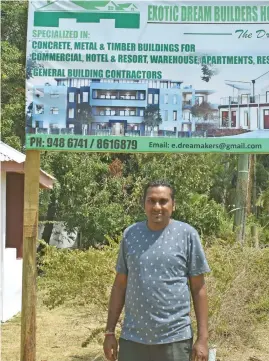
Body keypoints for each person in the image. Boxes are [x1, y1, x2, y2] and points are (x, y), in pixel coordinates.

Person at [103, 180, 210, 361]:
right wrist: (109, 332)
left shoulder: (187, 235)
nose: (157, 206)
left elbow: (199, 289)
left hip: (175, 340)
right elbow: (120, 285)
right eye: (151, 201)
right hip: (133, 339)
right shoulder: (130, 235)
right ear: (144, 204)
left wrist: (203, 339)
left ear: (173, 205)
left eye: (163, 201)